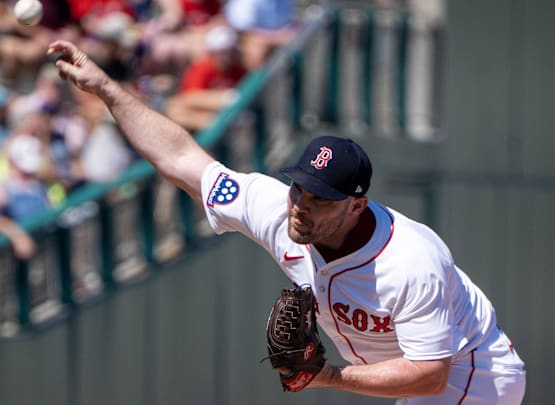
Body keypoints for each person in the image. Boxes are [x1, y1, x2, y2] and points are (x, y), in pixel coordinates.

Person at [47, 40, 526, 404]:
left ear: (355, 206)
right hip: (408, 374)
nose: (300, 204)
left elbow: (430, 374)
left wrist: (328, 377)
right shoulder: (276, 207)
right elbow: (179, 157)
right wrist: (108, 90)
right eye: (298, 186)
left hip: (474, 374)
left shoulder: (411, 260)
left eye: (319, 199)